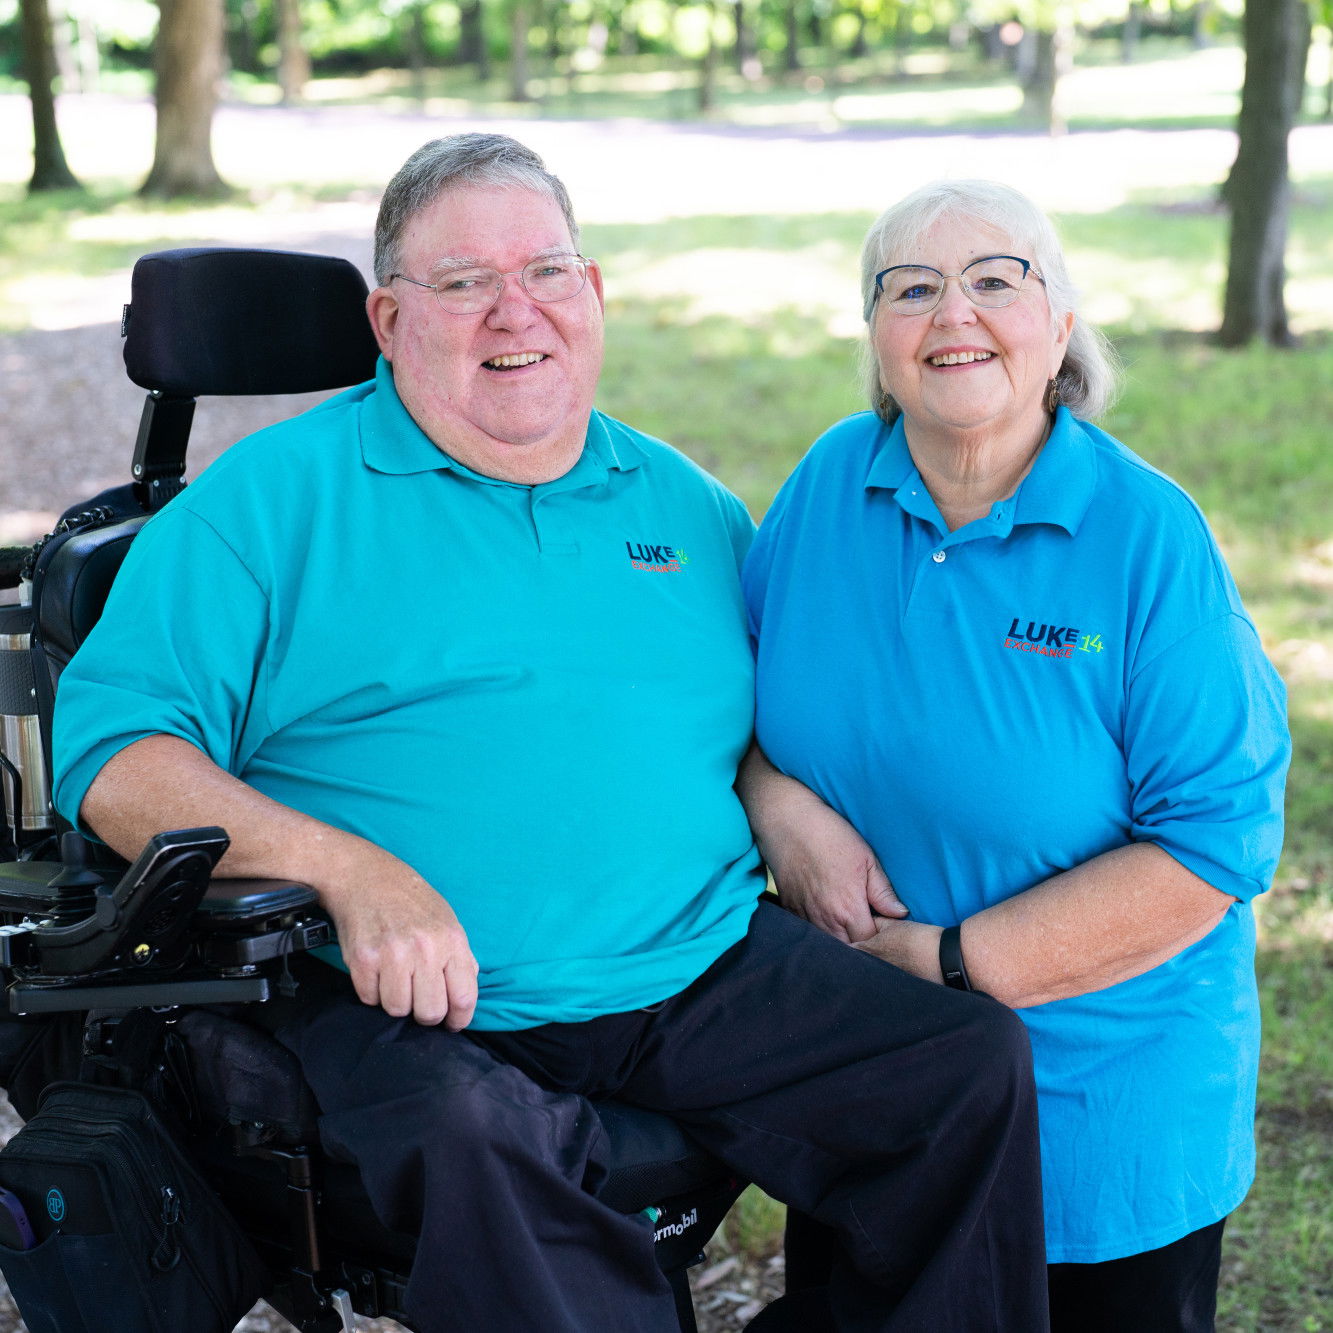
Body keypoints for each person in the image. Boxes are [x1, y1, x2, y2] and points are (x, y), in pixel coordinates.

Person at [51, 138, 1049, 1333]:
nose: (512, 310)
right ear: (387, 317)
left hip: (689, 962)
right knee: (487, 1141)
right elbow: (114, 757)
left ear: (594, 296)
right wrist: (348, 869)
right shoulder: (264, 507)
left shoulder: (686, 507)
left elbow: (736, 720)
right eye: (463, 280)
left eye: (547, 271)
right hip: (397, 998)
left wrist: (777, 802)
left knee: (960, 1068)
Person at [739, 178, 1291, 1333]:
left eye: (997, 279)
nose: (954, 315)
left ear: (1061, 325)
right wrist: (780, 806)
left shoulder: (1146, 538)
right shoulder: (828, 487)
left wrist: (947, 962)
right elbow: (727, 707)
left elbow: (1212, 844)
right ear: (876, 336)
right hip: (872, 1081)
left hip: (1096, 1106)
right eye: (912, 288)